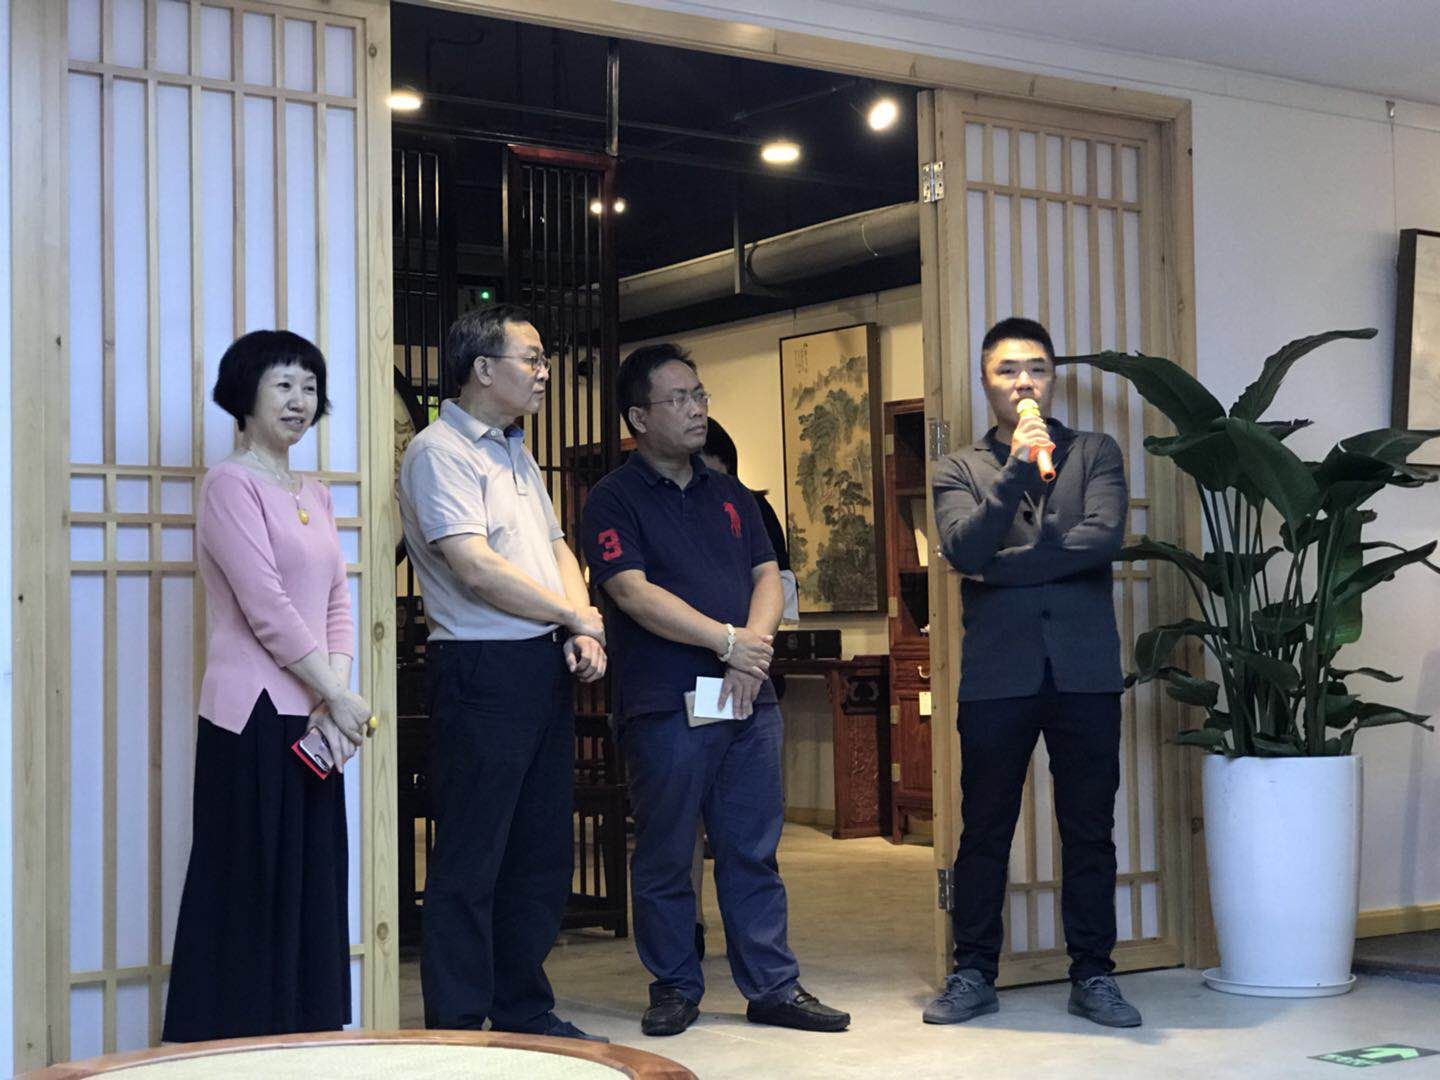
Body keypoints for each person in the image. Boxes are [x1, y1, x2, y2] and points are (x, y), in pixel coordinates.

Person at [582, 343, 849, 1038]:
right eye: (679, 398)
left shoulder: (732, 495)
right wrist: (726, 643)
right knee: (669, 852)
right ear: (639, 417)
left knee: (752, 848)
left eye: (699, 394)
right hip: (666, 702)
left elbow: (767, 576)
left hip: (745, 699)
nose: (698, 408)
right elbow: (632, 593)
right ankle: (675, 985)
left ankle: (773, 986)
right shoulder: (612, 499)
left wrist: (749, 654)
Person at [397, 304, 608, 1041]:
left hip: (540, 659)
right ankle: (457, 1023)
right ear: (483, 369)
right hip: (480, 666)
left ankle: (522, 1008)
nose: (546, 371)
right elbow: (475, 567)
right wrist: (573, 615)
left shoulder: (516, 450)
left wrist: (582, 624)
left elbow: (557, 547)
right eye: (533, 358)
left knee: (540, 850)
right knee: (472, 852)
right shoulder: (439, 451)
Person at [924, 316, 1141, 1028]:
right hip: (997, 674)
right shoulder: (957, 468)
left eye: (1038, 369)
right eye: (1008, 371)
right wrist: (1016, 468)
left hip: (1085, 670)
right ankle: (972, 972)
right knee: (985, 827)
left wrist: (996, 570)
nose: (1025, 383)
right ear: (986, 383)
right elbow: (963, 547)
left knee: (1090, 828)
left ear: (1053, 379)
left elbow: (1102, 540)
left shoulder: (1095, 452)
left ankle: (1094, 975)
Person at [163, 330, 372, 1041]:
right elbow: (266, 607)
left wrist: (333, 700)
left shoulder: (315, 492)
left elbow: (338, 602)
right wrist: (337, 696)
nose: (299, 400)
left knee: (313, 881)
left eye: (310, 387)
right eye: (283, 384)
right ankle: (239, 1042)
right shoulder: (229, 484)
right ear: (244, 394)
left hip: (314, 718)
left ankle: (304, 1037)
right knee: (251, 881)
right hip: (251, 714)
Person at [691, 417, 794, 962]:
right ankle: (690, 925)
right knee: (683, 822)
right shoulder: (652, 503)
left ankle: (760, 958)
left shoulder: (751, 509)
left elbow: (779, 587)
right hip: (684, 679)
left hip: (750, 676)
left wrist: (747, 660)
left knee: (750, 830)